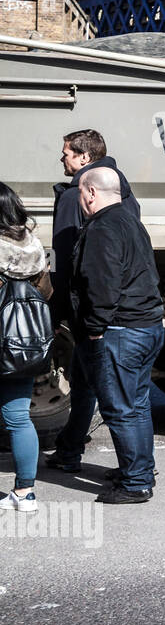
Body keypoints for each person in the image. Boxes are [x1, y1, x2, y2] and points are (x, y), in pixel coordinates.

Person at [47, 129, 142, 475]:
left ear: (85, 158)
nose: (62, 158)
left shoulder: (77, 196)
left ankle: (135, 468)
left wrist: (59, 311)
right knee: (92, 382)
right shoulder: (122, 192)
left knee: (108, 393)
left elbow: (68, 259)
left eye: (67, 153)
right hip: (118, 305)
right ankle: (71, 449)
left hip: (88, 309)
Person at [69, 167, 165, 504]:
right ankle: (140, 469)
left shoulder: (102, 228)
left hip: (121, 332)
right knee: (137, 405)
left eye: (80, 194)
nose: (79, 201)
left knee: (121, 409)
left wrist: (94, 329)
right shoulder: (130, 221)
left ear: (91, 194)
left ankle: (136, 483)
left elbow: (102, 284)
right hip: (147, 326)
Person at [0, 184, 51, 514]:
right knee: (19, 418)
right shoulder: (33, 247)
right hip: (21, 346)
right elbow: (46, 293)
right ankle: (25, 492)